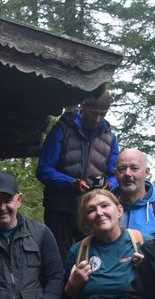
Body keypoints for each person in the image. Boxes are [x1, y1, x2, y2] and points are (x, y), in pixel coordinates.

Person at [36, 93, 120, 260]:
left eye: (102, 114)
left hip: (92, 210)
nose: (98, 118)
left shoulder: (110, 137)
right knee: (58, 258)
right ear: (84, 106)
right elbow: (44, 170)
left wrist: (109, 185)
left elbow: (115, 174)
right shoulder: (63, 129)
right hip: (59, 209)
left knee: (91, 258)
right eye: (94, 112)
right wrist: (72, 183)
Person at [113, 148, 155, 238]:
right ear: (115, 173)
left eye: (134, 168)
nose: (127, 174)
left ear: (146, 172)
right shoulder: (103, 209)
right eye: (122, 169)